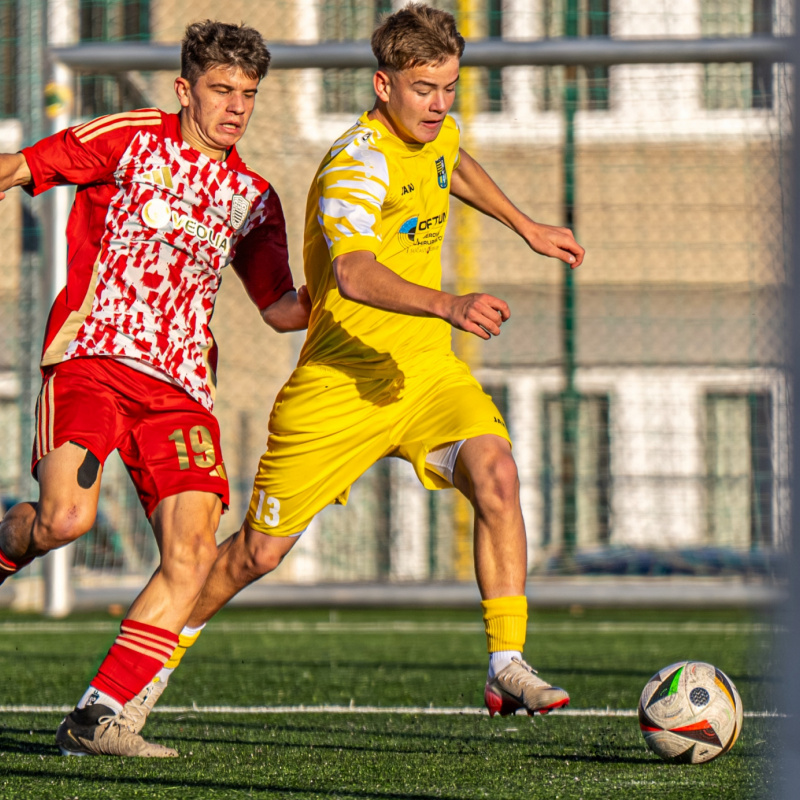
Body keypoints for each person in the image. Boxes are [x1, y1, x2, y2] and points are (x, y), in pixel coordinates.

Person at [124, 2, 586, 742]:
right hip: (340, 383)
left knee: (497, 474)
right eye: (424, 90)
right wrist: (448, 302)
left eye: (449, 87)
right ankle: (140, 678)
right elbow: (356, 274)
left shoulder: (437, 131)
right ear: (382, 86)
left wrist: (526, 225)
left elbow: (452, 161)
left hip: (424, 374)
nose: (439, 104)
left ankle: (507, 662)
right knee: (253, 554)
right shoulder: (355, 163)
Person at [0, 20, 309, 757]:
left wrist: (354, 289)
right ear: (184, 89)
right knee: (65, 520)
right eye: (221, 89)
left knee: (193, 554)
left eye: (248, 94)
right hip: (92, 361)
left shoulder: (254, 199)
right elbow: (20, 166)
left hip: (180, 391)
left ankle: (98, 715)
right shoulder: (134, 136)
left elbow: (278, 309)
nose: (236, 106)